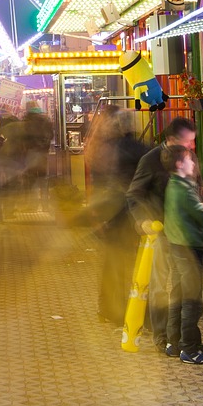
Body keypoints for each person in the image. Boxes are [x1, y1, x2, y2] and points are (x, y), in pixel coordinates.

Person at [125, 116, 196, 356]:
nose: (191, 147)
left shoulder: (187, 157)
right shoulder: (151, 159)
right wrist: (142, 221)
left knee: (183, 287)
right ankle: (161, 337)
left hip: (184, 232)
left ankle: (179, 338)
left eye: (192, 142)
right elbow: (134, 194)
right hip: (160, 231)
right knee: (159, 286)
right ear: (170, 140)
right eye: (187, 141)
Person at [87, 107, 148, 325]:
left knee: (113, 263)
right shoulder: (134, 148)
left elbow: (100, 182)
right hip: (129, 213)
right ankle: (129, 310)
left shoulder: (102, 148)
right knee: (132, 263)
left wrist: (98, 214)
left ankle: (108, 308)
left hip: (112, 212)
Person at [162, 143, 203, 364]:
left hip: (175, 245)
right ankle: (190, 349)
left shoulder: (172, 186)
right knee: (192, 300)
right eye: (189, 159)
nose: (193, 163)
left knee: (177, 295)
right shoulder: (184, 189)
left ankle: (173, 342)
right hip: (189, 248)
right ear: (179, 164)